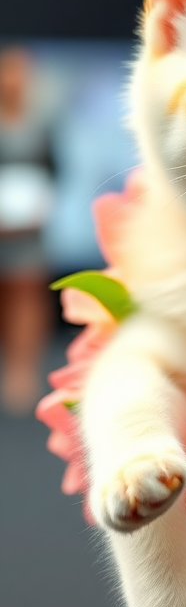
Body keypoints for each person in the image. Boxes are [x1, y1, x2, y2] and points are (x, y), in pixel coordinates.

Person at [0, 45, 57, 412]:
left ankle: (22, 371)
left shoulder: (41, 122)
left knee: (27, 295)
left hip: (29, 230)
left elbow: (54, 170)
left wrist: (42, 203)